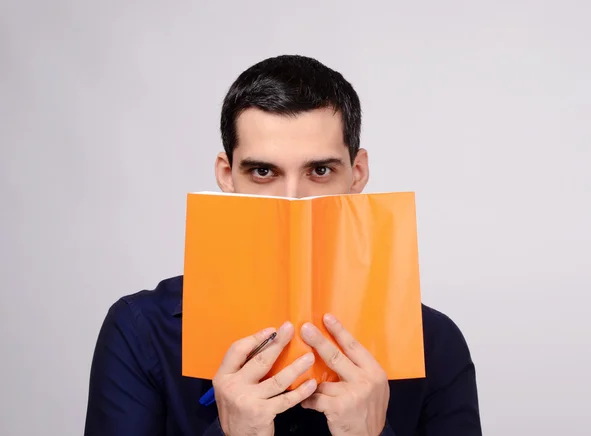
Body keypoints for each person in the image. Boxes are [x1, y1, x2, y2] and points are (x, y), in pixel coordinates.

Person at [84, 54, 482, 436]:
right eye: (263, 171)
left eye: (320, 170)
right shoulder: (140, 330)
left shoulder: (436, 342)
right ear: (226, 175)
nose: (292, 200)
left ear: (357, 173)